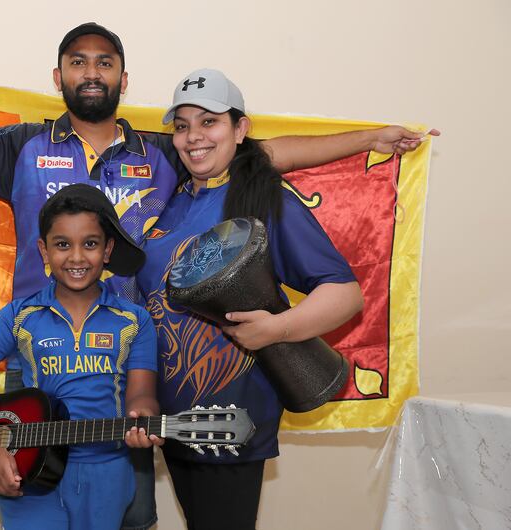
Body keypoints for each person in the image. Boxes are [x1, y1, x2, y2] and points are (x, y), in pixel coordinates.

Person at [0, 23, 434, 530]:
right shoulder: (19, 146)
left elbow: (261, 154)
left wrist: (366, 139)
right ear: (59, 75)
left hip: (137, 365)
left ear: (124, 79)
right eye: (78, 62)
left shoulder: (165, 149)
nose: (91, 72)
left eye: (104, 63)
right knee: (36, 504)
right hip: (36, 361)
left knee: (122, 514)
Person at [131, 69, 367, 530]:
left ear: (240, 130)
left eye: (209, 122)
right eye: (182, 126)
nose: (193, 137)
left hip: (230, 420)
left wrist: (278, 329)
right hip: (173, 421)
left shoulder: (263, 199)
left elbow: (345, 293)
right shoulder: (169, 202)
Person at [0, 184, 159, 530]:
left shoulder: (135, 320)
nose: (76, 257)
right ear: (44, 251)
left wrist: (145, 416)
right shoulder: (20, 315)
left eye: (90, 244)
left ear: (108, 250)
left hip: (107, 471)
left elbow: (141, 394)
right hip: (29, 470)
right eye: (62, 244)